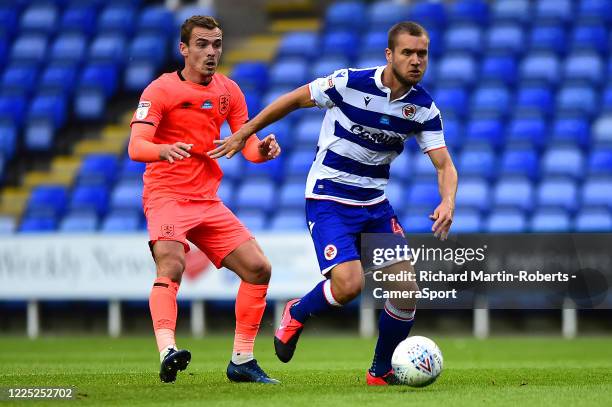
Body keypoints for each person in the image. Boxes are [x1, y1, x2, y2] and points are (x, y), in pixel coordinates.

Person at [209, 21, 457, 385]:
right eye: (407, 52)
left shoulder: (423, 109)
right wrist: (244, 132)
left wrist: (448, 200)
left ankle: (380, 371)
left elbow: (444, 164)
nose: (416, 60)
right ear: (389, 54)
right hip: (330, 197)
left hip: (374, 205)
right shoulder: (349, 82)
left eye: (422, 53)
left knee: (406, 291)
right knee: (349, 285)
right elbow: (293, 100)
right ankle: (297, 311)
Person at [128, 15, 281, 384]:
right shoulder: (160, 91)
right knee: (172, 263)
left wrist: (262, 148)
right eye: (202, 45)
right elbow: (136, 146)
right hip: (166, 195)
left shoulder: (229, 91)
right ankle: (167, 350)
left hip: (206, 201)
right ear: (184, 49)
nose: (211, 52)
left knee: (259, 269)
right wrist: (162, 150)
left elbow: (243, 146)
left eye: (216, 44)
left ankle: (242, 360)